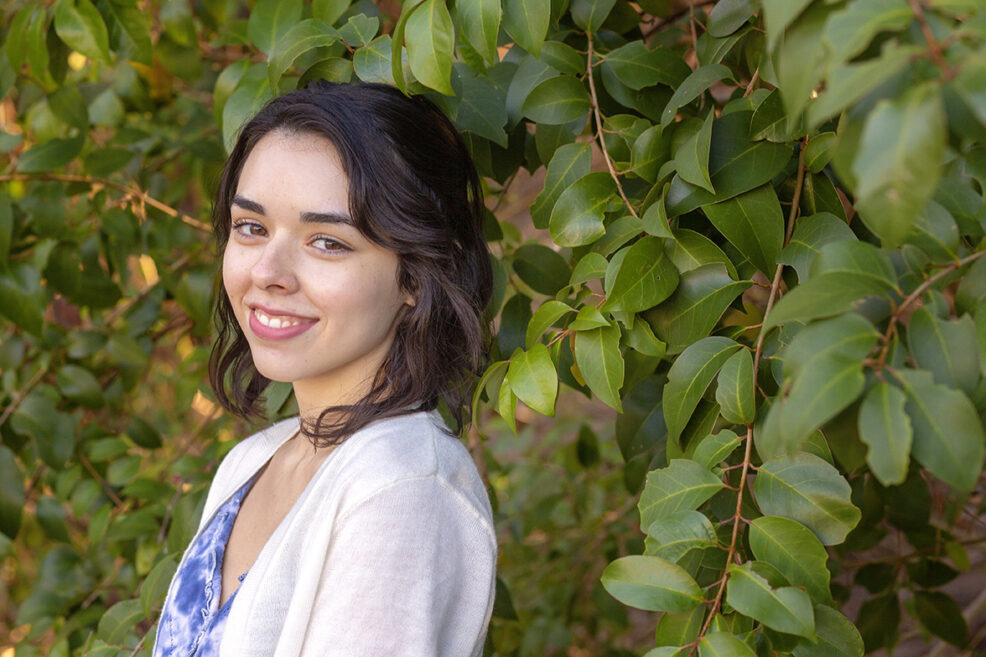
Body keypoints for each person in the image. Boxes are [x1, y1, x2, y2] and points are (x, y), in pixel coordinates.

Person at [151, 81, 497, 657]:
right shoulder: (254, 461)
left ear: (416, 274)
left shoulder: (401, 488)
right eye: (251, 227)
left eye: (327, 242)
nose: (268, 271)